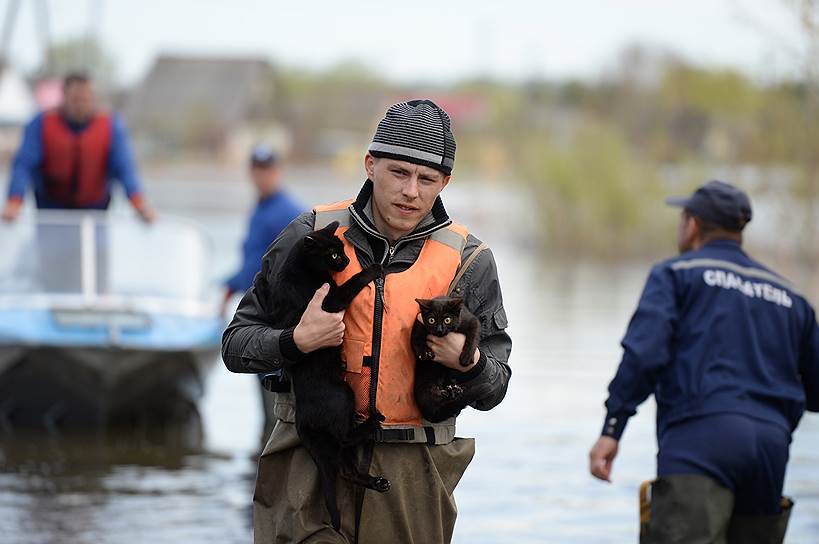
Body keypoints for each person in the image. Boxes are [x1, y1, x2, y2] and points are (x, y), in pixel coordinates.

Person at [222, 99, 512, 543]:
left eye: (426, 179)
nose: (410, 191)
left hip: (413, 475)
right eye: (398, 172)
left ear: (444, 182)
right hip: (308, 461)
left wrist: (468, 364)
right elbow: (236, 343)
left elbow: (496, 387)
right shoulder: (309, 235)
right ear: (370, 164)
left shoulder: (470, 261)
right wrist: (294, 341)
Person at [588, 180, 819, 544]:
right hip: (770, 453)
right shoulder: (792, 299)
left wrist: (612, 427)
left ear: (692, 224)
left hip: (700, 443)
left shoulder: (676, 275)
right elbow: (816, 392)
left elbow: (644, 355)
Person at [223, 144, 304, 441]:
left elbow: (288, 269)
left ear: (278, 171)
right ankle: (262, 456)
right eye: (257, 170)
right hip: (258, 315)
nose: (262, 177)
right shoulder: (261, 207)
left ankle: (275, 448)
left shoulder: (289, 213)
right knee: (262, 384)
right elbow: (251, 262)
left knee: (278, 400)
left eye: (267, 170)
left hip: (277, 319)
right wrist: (228, 286)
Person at [1, 71, 155, 222]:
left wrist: (139, 203)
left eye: (86, 99)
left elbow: (125, 168)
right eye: (76, 99)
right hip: (52, 212)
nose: (81, 105)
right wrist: (14, 201)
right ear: (64, 97)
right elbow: (23, 165)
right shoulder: (40, 124)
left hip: (95, 212)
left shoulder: (111, 126)